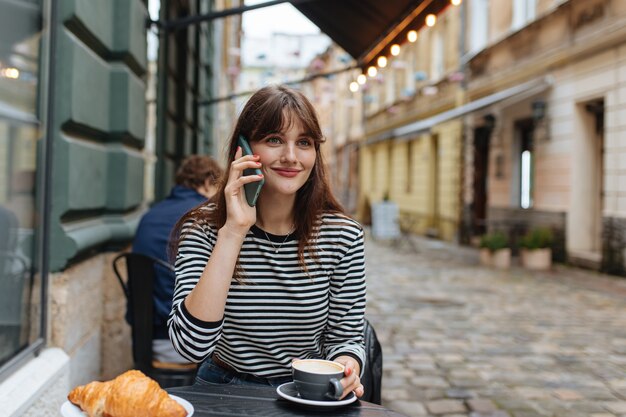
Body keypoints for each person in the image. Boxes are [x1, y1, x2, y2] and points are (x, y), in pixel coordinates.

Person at [167, 85, 366, 399]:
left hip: (306, 392)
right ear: (244, 149)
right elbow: (190, 346)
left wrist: (346, 368)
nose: (290, 156)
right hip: (222, 391)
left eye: (304, 142)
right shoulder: (204, 227)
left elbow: (346, 338)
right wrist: (233, 232)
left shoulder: (342, 235)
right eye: (274, 139)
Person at [132, 155, 223, 364]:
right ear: (209, 183)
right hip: (186, 342)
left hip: (143, 338)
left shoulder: (150, 215)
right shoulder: (205, 219)